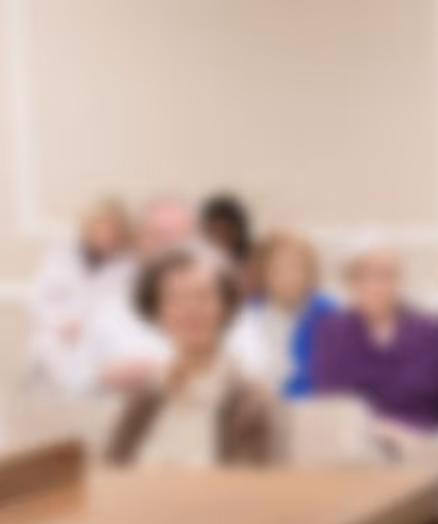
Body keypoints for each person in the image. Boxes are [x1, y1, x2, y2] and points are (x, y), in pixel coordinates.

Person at [62, 194, 270, 395]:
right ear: (138, 240)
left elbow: (259, 376)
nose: (168, 246)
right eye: (157, 236)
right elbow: (72, 386)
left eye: (180, 236)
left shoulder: (230, 305)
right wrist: (104, 380)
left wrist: (213, 376)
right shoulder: (107, 310)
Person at [104, 251, 278, 468]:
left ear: (225, 308)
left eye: (202, 296)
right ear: (158, 314)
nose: (190, 309)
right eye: (174, 299)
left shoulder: (250, 401)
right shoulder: (144, 399)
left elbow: (247, 487)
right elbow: (110, 472)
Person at [311, 235, 438, 433]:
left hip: (426, 449)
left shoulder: (432, 331)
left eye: (385, 275)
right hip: (360, 452)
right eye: (365, 276)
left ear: (398, 278)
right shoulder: (332, 333)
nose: (376, 285)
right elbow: (330, 408)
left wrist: (437, 442)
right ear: (350, 282)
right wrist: (380, 431)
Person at [27, 195, 133, 392]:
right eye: (101, 226)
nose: (106, 233)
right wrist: (61, 323)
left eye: (113, 228)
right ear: (89, 227)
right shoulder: (60, 257)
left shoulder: (129, 266)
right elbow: (39, 300)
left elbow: (125, 311)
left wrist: (91, 327)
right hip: (57, 341)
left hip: (104, 349)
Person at [239, 230, 336, 400]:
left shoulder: (328, 314)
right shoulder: (247, 314)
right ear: (263, 272)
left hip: (310, 408)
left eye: (295, 267)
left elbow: (329, 379)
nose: (287, 276)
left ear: (309, 272)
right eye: (278, 268)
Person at [199, 192, 253, 272]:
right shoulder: (198, 264)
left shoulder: (249, 264)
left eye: (226, 231)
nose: (221, 237)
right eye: (216, 231)